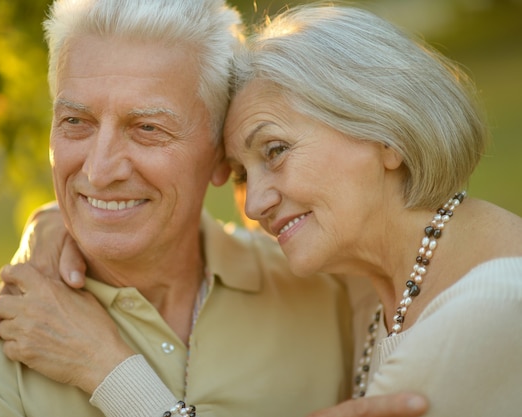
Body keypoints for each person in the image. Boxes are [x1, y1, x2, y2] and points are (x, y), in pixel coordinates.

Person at [0, 1, 427, 416]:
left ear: (219, 155)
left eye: (147, 128)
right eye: (76, 121)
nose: (99, 170)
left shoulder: (327, 286)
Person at [220, 3, 522, 416]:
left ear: (386, 133)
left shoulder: (490, 307)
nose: (254, 204)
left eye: (275, 150)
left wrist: (114, 370)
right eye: (240, 175)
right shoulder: (374, 292)